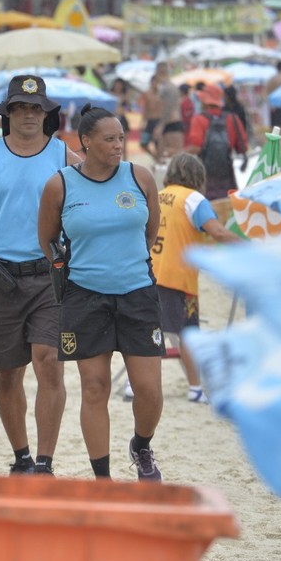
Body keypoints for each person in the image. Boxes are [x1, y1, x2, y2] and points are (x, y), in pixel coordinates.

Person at [37, 104, 165, 481]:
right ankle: (103, 481)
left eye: (121, 138)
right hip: (84, 297)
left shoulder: (139, 177)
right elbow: (47, 239)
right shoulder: (60, 185)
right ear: (86, 142)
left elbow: (150, 232)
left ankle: (141, 445)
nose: (118, 145)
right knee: (94, 388)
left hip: (137, 293)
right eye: (109, 139)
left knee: (148, 389)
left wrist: (122, 261)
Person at [0, 74, 74, 476]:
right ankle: (21, 456)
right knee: (7, 375)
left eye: (35, 108)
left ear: (46, 113)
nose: (28, 115)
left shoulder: (65, 157)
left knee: (49, 361)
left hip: (50, 278)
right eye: (20, 108)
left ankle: (44, 462)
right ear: (7, 113)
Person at [139, 153, 240, 404]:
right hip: (177, 276)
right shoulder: (194, 199)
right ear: (198, 176)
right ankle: (194, 388)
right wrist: (249, 247)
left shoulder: (158, 196)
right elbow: (217, 231)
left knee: (152, 330)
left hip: (148, 272)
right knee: (187, 333)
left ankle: (137, 383)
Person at [185, 82, 248, 203]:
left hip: (205, 176)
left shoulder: (199, 120)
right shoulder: (232, 118)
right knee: (227, 206)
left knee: (206, 206)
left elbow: (196, 148)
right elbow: (242, 148)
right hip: (227, 175)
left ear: (204, 101)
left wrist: (179, 153)